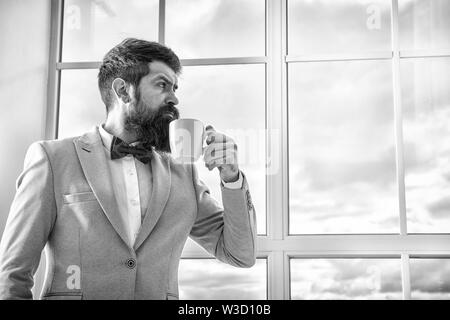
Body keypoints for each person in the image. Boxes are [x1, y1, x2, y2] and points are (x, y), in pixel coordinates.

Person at [0, 38, 256, 300]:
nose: (174, 98)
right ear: (123, 90)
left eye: (175, 87)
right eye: (162, 85)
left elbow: (240, 254)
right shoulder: (53, 159)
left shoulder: (183, 173)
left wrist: (231, 177)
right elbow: (13, 274)